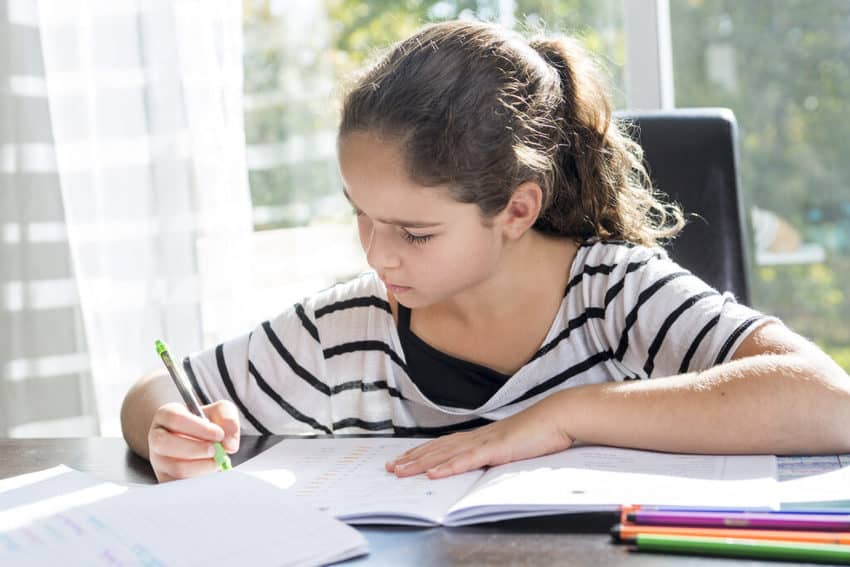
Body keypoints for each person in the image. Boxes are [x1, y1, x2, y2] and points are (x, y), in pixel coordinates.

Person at [121, 20, 850, 483]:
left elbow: (828, 403)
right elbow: (155, 392)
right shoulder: (352, 326)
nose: (379, 255)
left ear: (517, 208)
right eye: (361, 217)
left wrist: (568, 413)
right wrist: (168, 428)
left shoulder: (614, 294)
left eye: (414, 232)